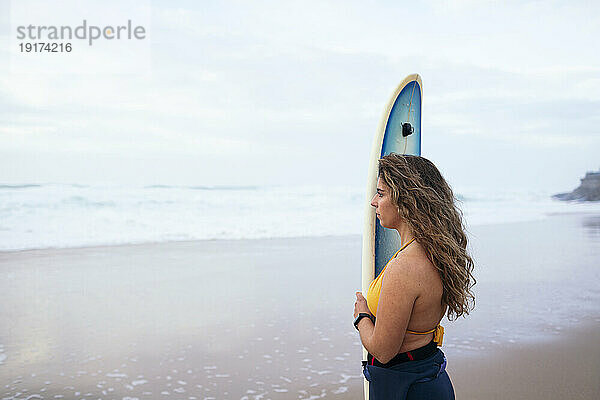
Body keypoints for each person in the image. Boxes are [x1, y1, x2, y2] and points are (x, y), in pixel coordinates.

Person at [353, 153, 476, 399]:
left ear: (405, 200)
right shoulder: (438, 250)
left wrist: (362, 317)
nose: (373, 202)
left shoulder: (405, 267)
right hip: (429, 375)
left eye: (381, 193)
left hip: (407, 389)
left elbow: (384, 351)